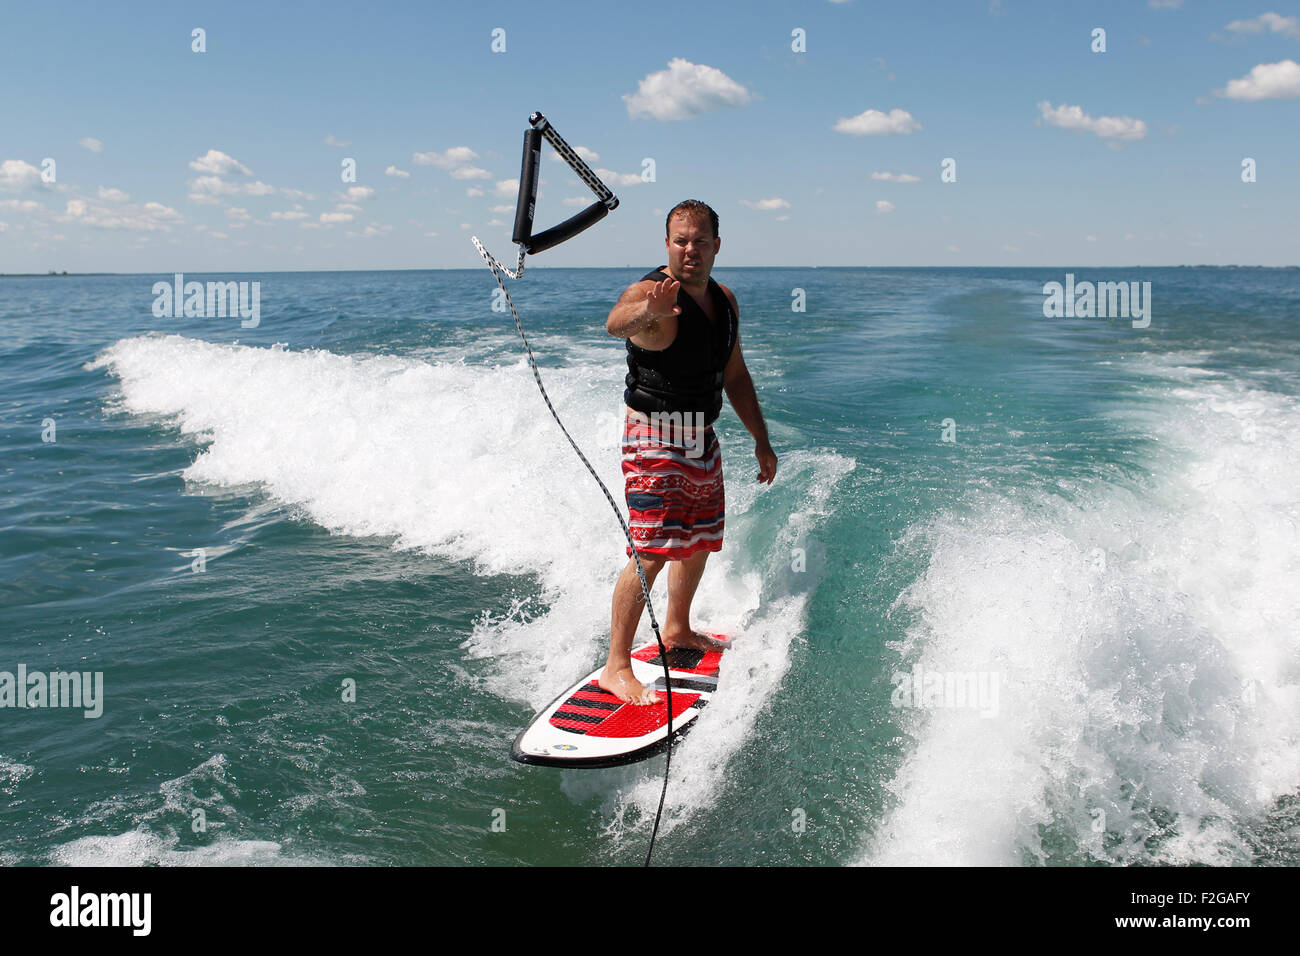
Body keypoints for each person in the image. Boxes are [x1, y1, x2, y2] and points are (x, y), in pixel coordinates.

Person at [600, 200, 777, 705]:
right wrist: (645, 312)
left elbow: (736, 375)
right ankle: (616, 665)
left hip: (701, 435)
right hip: (654, 435)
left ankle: (677, 628)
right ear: (667, 244)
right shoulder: (651, 294)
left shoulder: (724, 301)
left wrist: (760, 440)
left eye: (700, 240)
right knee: (653, 549)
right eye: (680, 240)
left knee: (699, 540)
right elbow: (616, 323)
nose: (690, 250)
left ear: (716, 245)